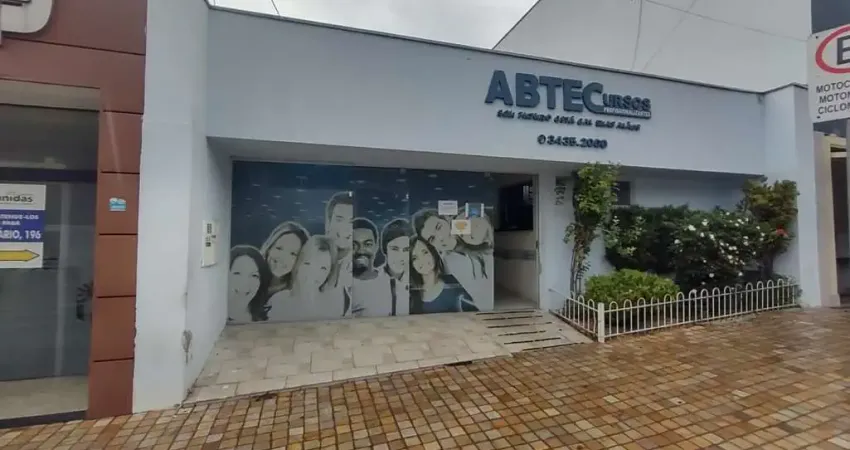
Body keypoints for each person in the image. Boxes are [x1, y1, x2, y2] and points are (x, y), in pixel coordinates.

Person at [267, 235, 342, 322]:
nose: (313, 273)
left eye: (323, 268)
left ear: (329, 273)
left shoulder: (333, 305)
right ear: (298, 264)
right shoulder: (278, 301)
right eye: (307, 263)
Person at [409, 236, 478, 314]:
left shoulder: (452, 283)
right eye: (415, 258)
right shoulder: (412, 295)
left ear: (432, 253)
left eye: (425, 252)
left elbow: (473, 313)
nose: (422, 260)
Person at [349, 217, 392, 317]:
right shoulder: (342, 286)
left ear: (376, 246)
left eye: (367, 244)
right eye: (354, 245)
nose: (361, 250)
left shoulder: (389, 280)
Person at [259, 221, 309, 296]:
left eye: (293, 254)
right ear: (269, 248)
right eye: (279, 248)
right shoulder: (249, 278)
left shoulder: (298, 294)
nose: (283, 258)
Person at [227, 245, 273, 323]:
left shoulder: (267, 317)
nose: (245, 282)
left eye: (254, 275)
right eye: (237, 273)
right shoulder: (215, 316)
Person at [381, 218, 411, 316]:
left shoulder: (416, 280)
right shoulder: (371, 281)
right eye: (394, 249)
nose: (400, 257)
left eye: (406, 250)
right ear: (385, 249)